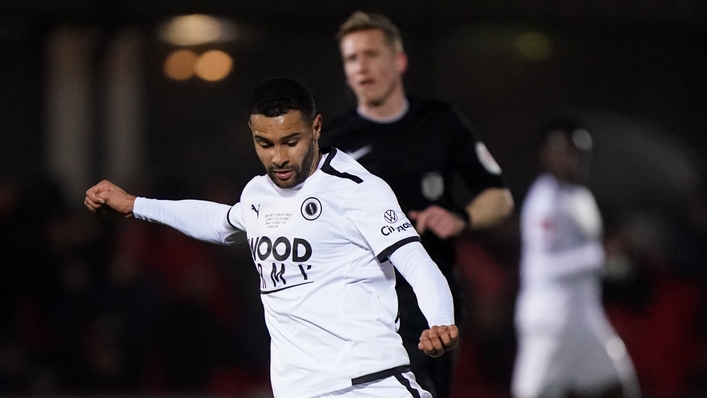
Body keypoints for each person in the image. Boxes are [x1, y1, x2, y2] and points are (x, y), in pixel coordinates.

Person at [84, 77, 459, 398]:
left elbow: (415, 261)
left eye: (291, 141)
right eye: (265, 143)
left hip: (367, 385)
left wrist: (441, 320)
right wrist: (136, 205)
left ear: (315, 128)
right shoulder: (259, 194)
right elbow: (222, 222)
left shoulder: (356, 189)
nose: (279, 156)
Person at [321, 11, 514, 398]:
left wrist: (461, 217)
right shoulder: (333, 141)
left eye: (372, 54)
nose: (362, 67)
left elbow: (500, 197)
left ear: (399, 61)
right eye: (352, 58)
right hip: (362, 307)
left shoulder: (439, 122)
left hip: (430, 302)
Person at [511, 118, 640, 398]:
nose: (572, 159)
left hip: (584, 315)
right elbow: (541, 266)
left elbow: (588, 259)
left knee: (618, 384)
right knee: (532, 392)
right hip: (552, 318)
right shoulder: (544, 201)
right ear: (546, 154)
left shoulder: (580, 196)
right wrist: (600, 254)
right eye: (564, 151)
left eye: (577, 152)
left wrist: (615, 263)